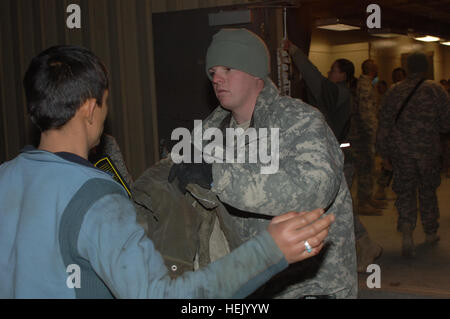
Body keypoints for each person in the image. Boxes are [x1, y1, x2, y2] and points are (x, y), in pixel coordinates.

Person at [0, 45, 335, 298]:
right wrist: (268, 251)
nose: (217, 77)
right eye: (104, 103)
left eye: (227, 68)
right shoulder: (96, 198)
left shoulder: (6, 178)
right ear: (90, 108)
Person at [169, 28, 357, 298]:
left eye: (228, 68)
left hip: (308, 284)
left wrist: (218, 176)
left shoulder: (298, 120)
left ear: (255, 72)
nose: (217, 78)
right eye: (213, 72)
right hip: (249, 283)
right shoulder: (209, 132)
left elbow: (313, 190)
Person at [283, 40, 381, 272]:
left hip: (339, 159)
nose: (330, 72)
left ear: (343, 75)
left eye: (334, 70)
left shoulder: (338, 93)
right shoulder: (340, 93)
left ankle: (365, 246)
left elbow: (315, 78)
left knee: (338, 208)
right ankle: (361, 247)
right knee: (337, 207)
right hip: (338, 156)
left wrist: (294, 52)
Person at [376, 52, 450, 257]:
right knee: (428, 192)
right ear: (426, 67)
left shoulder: (394, 91)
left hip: (401, 153)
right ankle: (430, 233)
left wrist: (383, 153)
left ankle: (407, 232)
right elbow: (446, 124)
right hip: (428, 152)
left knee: (405, 192)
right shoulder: (437, 90)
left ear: (407, 67)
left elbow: (384, 123)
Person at [353, 59, 387, 215]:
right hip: (365, 136)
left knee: (369, 168)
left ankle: (367, 198)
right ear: (373, 69)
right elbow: (367, 115)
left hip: (367, 135)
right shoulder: (365, 86)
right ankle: (363, 202)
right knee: (365, 169)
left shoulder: (367, 84)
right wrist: (374, 136)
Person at [374, 68, 407, 201]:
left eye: (400, 76)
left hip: (405, 136)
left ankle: (395, 192)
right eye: (396, 76)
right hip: (394, 136)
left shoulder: (406, 91)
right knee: (388, 165)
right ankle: (381, 190)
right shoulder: (392, 92)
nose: (398, 78)